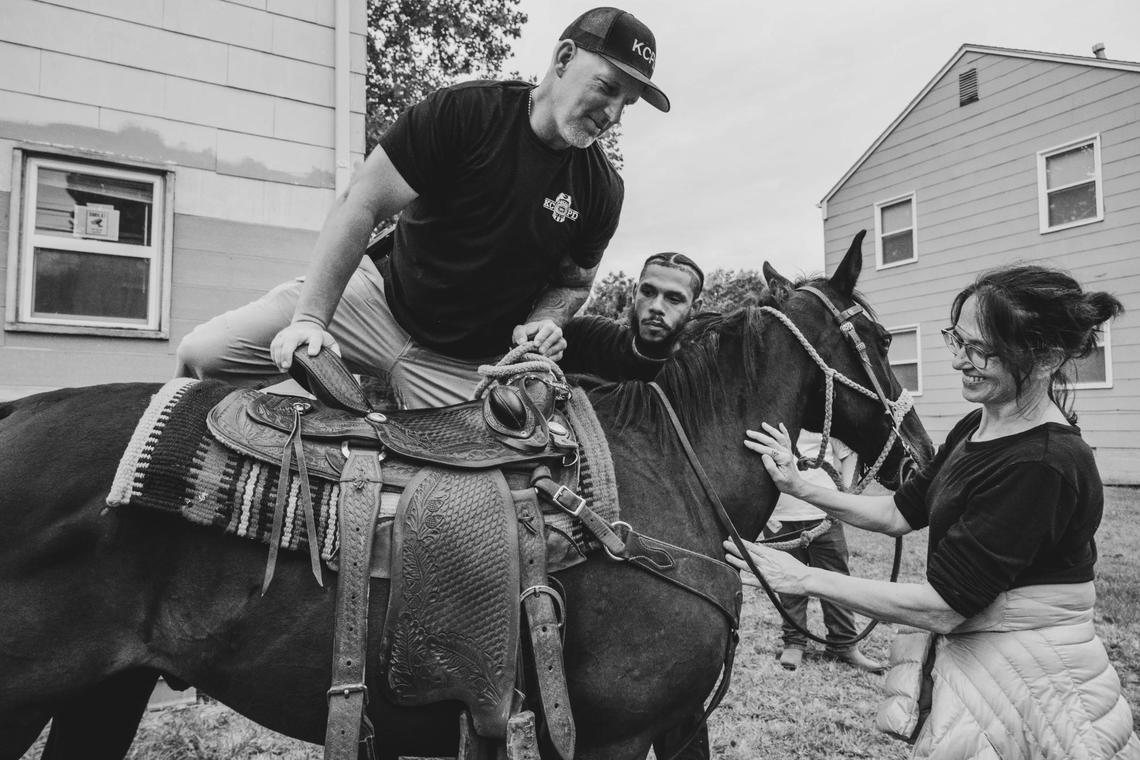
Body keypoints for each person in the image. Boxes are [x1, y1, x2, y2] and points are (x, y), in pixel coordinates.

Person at [726, 264, 1139, 758]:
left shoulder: (1043, 463)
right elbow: (900, 513)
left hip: (1038, 687)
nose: (960, 362)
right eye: (957, 341)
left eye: (981, 349)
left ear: (1046, 356)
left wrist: (805, 578)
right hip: (987, 671)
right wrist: (801, 485)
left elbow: (944, 606)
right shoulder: (979, 423)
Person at [175, 7, 670, 409]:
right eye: (606, 87)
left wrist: (547, 320)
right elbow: (361, 202)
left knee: (486, 501)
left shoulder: (602, 189)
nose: (612, 114)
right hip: (376, 302)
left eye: (626, 104)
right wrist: (310, 321)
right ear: (564, 58)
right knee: (202, 356)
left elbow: (573, 282)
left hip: (466, 365)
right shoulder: (465, 113)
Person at [765, 431, 884, 674]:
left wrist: (846, 494)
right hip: (780, 517)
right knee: (788, 583)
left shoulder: (823, 421)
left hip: (825, 516)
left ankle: (843, 643)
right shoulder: (774, 420)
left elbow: (849, 453)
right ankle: (794, 642)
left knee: (837, 580)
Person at [559, 251, 704, 380]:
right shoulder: (587, 337)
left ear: (694, 308)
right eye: (647, 292)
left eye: (674, 299)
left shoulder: (697, 375)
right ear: (635, 292)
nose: (656, 307)